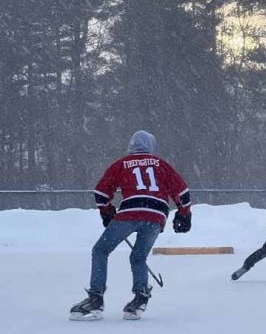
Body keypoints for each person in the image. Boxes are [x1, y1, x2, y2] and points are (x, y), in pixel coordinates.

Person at [69, 130, 192, 321]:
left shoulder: (121, 164)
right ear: (151, 146)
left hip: (131, 212)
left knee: (101, 250)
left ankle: (95, 300)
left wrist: (106, 210)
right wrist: (184, 214)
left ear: (131, 146)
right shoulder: (160, 164)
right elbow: (182, 191)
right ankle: (140, 298)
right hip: (157, 216)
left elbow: (101, 192)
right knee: (138, 256)